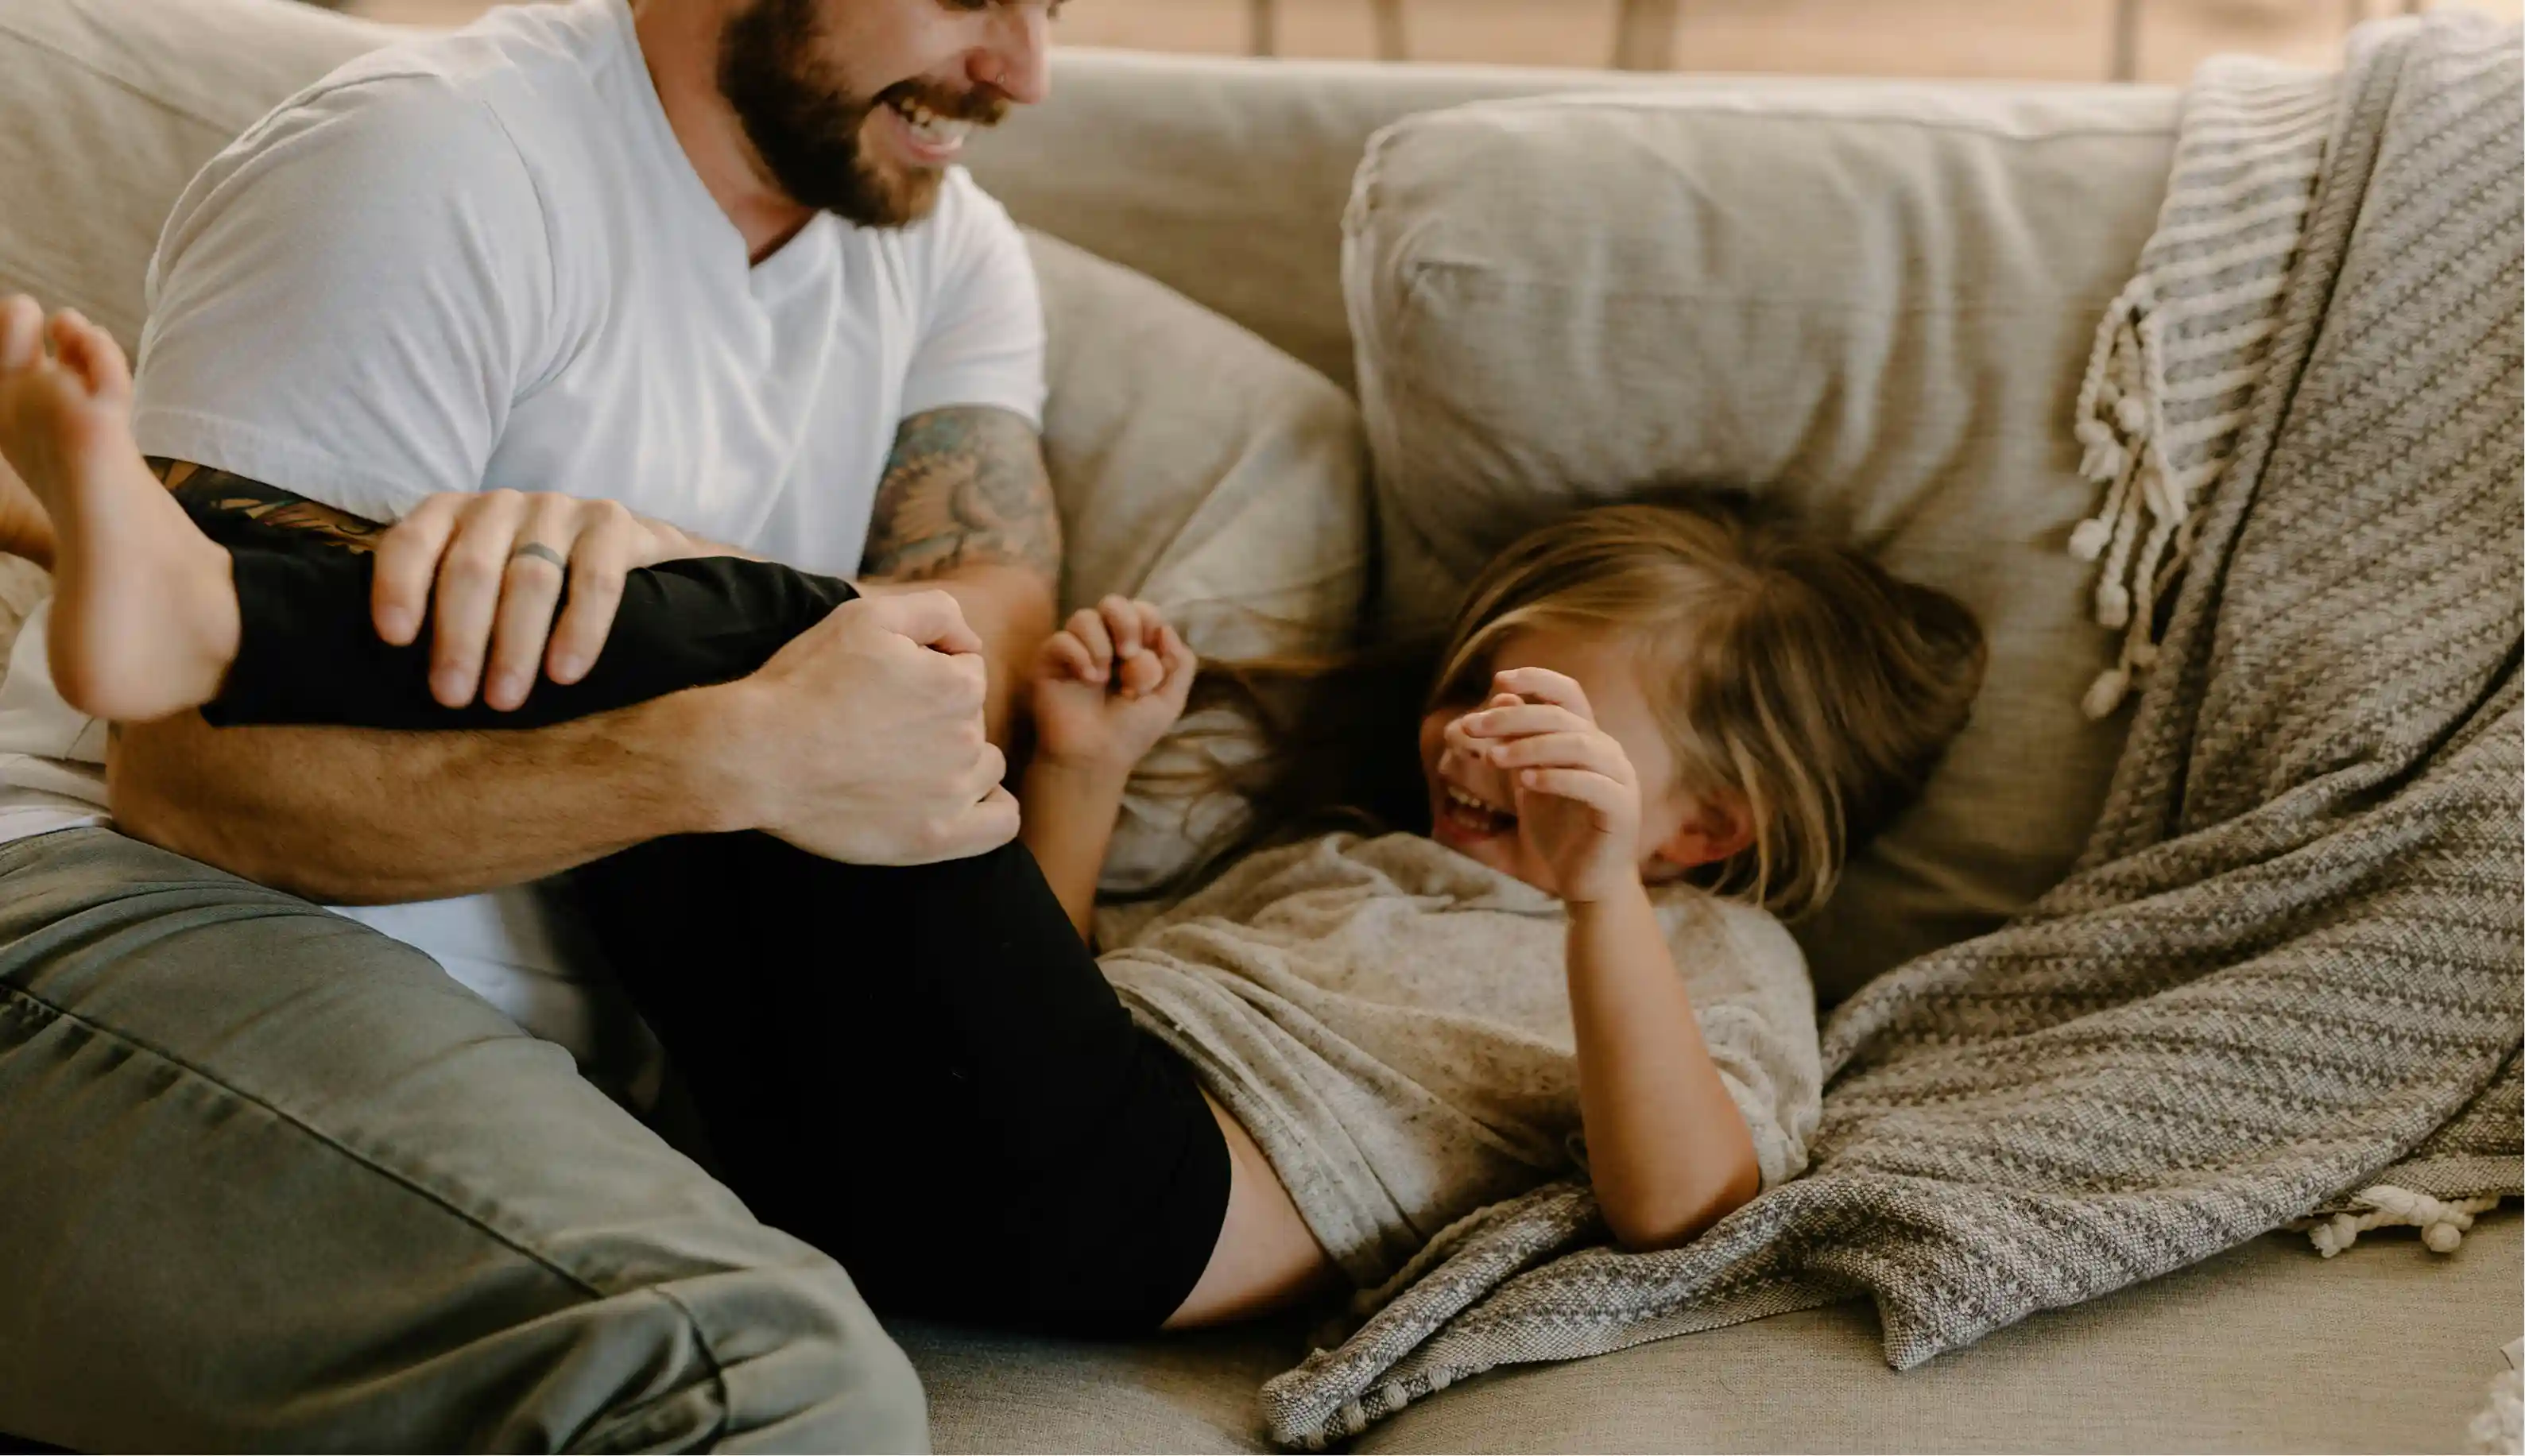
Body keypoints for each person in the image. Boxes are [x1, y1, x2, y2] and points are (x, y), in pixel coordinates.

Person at [0, 306, 1990, 1327]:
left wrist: (1599, 913)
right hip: (894, 1142)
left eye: (1551, 722)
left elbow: (1689, 1206)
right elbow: (1029, 988)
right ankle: (152, 552)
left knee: (834, 653)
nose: (1476, 738)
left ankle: (179, 589)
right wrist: (1089, 777)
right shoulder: (1338, 861)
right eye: (1481, 688)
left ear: (1708, 822)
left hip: (1114, 1217)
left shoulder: (1711, 952)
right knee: (725, 663)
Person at [0, 0, 1067, 1447]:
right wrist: (732, 753)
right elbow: (201, 788)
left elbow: (990, 626)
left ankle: (183, 579)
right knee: (766, 1391)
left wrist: (671, 564)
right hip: (140, 908)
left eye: (1055, 7)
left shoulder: (944, 238)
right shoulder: (434, 157)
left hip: (579, 1044)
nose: (1023, 71)